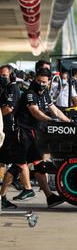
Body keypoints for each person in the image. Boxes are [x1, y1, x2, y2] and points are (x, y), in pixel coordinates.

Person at [0, 68, 70, 209]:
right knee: (18, 166)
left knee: (39, 164)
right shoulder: (29, 94)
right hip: (20, 133)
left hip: (32, 135)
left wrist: (69, 122)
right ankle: (2, 198)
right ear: (35, 79)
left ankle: (49, 197)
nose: (41, 84)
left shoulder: (45, 94)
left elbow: (55, 109)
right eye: (39, 81)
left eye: (44, 82)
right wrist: (51, 120)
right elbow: (35, 112)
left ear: (49, 81)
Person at [0, 65, 20, 204]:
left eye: (4, 75)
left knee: (16, 161)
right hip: (3, 128)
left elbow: (8, 108)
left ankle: (25, 188)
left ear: (11, 76)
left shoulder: (13, 88)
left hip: (9, 129)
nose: (2, 78)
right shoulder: (4, 88)